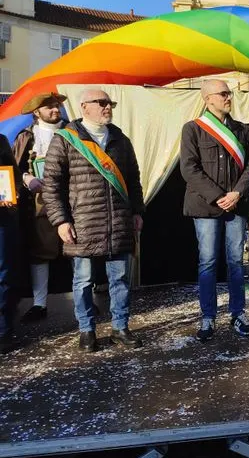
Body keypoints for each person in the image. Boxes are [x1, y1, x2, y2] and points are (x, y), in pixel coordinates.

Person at [42, 87, 144, 352]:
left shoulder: (120, 139)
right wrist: (60, 221)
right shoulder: (66, 139)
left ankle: (120, 328)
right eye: (101, 102)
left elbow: (133, 180)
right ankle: (86, 331)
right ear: (84, 106)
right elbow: (51, 185)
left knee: (120, 280)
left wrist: (137, 212)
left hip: (119, 222)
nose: (107, 107)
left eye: (109, 103)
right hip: (82, 222)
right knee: (83, 281)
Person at [180, 80, 249, 342]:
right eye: (223, 94)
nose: (228, 97)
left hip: (236, 204)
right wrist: (218, 196)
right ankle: (208, 317)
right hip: (205, 206)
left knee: (236, 262)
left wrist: (236, 193)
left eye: (229, 93)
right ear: (207, 99)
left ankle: (238, 313)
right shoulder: (192, 129)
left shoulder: (242, 130)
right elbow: (189, 169)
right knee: (208, 262)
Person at [12, 92, 66, 323]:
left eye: (57, 106)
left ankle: (88, 297)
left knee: (79, 248)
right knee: (40, 251)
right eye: (50, 107)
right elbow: (14, 167)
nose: (55, 110)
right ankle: (39, 303)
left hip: (73, 196)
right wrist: (27, 179)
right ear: (37, 112)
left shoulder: (73, 132)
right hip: (40, 200)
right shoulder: (27, 136)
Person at [0, 134, 21, 354]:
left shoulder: (1, 141)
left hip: (2, 217)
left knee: (3, 274)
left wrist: (11, 193)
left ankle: (3, 331)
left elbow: (11, 175)